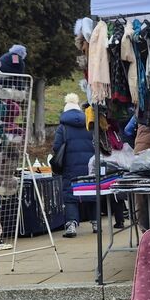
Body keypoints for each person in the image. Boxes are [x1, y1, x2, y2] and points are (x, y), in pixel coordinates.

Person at [53, 93, 95, 237]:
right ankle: (96, 223)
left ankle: (71, 225)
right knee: (90, 190)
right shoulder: (88, 124)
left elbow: (56, 147)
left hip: (70, 165)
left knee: (70, 194)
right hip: (89, 164)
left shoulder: (62, 127)